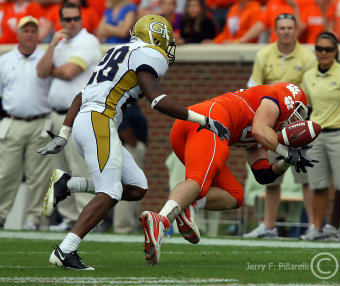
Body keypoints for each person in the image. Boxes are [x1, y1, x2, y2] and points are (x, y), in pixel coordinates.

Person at [37, 14, 230, 270]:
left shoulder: (116, 51)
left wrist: (64, 135)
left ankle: (68, 184)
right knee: (111, 191)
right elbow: (157, 99)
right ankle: (65, 250)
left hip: (89, 120)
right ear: (157, 38)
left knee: (137, 187)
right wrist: (203, 120)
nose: (167, 48)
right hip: (100, 120)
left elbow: (80, 95)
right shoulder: (151, 54)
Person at [139, 82, 318, 265]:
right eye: (299, 115)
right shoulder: (278, 98)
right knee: (197, 181)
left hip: (193, 126)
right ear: (293, 103)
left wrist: (287, 162)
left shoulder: (263, 134)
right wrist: (287, 152)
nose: (296, 122)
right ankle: (161, 220)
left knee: (235, 195)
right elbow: (259, 129)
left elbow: (263, 174)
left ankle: (188, 206)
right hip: (210, 121)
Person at [242, 13, 317, 239]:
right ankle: (269, 225)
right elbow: (252, 89)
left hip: (299, 121)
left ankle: (314, 226)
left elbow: (312, 90)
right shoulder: (264, 55)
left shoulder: (307, 56)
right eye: (282, 28)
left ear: (296, 30)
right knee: (272, 174)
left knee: (306, 177)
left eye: (289, 28)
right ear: (276, 30)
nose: (286, 31)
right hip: (272, 123)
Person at [36, 2, 102, 231]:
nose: (73, 23)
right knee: (61, 169)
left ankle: (88, 219)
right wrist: (53, 44)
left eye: (76, 19)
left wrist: (54, 68)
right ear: (60, 21)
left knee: (81, 168)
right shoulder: (60, 43)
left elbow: (68, 72)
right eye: (68, 19)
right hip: (56, 115)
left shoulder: (88, 41)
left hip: (79, 116)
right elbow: (40, 71)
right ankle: (69, 218)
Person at [301, 31, 340, 242]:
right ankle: (317, 228)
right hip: (316, 137)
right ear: (315, 51)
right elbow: (307, 110)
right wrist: (303, 136)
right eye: (319, 49)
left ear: (336, 51)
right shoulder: (308, 76)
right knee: (318, 185)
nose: (324, 53)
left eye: (328, 49)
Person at [0, 16, 52, 230]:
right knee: (5, 173)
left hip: (41, 121)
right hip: (13, 121)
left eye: (33, 31)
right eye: (26, 30)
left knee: (38, 176)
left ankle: (33, 219)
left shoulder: (47, 58)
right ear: (19, 34)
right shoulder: (5, 60)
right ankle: (1, 215)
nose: (29, 34)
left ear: (38, 35)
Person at [113, 103, 148, 233]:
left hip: (130, 146)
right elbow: (123, 125)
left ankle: (128, 225)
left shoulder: (131, 104)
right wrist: (133, 144)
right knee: (130, 186)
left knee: (135, 186)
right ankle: (124, 226)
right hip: (129, 146)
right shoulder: (125, 104)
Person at [236, 0, 303, 44]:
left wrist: (295, 7)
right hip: (274, 48)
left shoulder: (304, 2)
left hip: (294, 50)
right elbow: (261, 23)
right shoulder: (273, 2)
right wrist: (242, 39)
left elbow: (299, 30)